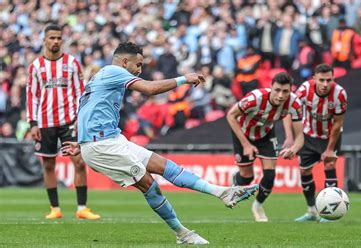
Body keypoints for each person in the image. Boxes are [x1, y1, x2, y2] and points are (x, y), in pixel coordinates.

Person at [61, 42, 258, 245]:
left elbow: (88, 108)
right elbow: (149, 88)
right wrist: (184, 79)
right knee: (149, 184)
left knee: (164, 166)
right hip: (102, 145)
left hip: (107, 139)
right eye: (138, 64)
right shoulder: (113, 71)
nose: (139, 70)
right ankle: (183, 233)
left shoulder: (103, 76)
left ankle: (222, 192)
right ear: (125, 61)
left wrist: (82, 142)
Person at [26, 24, 100, 220]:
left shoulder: (72, 63)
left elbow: (80, 92)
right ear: (44, 40)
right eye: (52, 38)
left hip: (70, 121)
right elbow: (32, 96)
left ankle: (82, 208)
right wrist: (32, 123)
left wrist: (80, 119)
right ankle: (55, 208)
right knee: (48, 165)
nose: (56, 41)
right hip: (45, 122)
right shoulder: (35, 66)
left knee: (79, 161)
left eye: (59, 38)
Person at [226, 72, 304, 222]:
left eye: (285, 91)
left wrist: (293, 149)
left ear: (291, 90)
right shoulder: (255, 98)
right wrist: (246, 144)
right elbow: (231, 115)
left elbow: (300, 137)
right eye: (277, 90)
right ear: (271, 88)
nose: (281, 95)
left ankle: (257, 206)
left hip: (266, 134)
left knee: (270, 175)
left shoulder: (294, 104)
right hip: (242, 133)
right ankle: (236, 179)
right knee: (247, 177)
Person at [292, 64, 348, 222]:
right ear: (314, 78)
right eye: (321, 80)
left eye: (328, 80)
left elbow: (337, 124)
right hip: (308, 135)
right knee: (304, 172)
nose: (325, 84)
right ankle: (311, 212)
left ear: (333, 79)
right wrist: (293, 138)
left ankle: (330, 213)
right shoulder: (304, 90)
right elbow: (293, 112)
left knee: (330, 165)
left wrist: (329, 149)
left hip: (331, 135)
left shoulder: (340, 94)